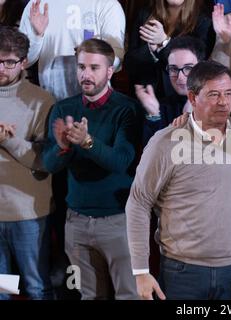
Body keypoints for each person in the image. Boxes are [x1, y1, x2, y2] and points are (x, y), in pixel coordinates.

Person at [126, 60, 231, 300]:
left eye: (227, 93)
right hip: (183, 271)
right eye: (214, 95)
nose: (224, 102)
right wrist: (141, 270)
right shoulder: (165, 142)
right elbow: (138, 203)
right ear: (193, 98)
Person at [42, 38, 139, 300]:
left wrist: (86, 142)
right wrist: (62, 146)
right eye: (81, 67)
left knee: (128, 295)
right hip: (76, 223)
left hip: (118, 222)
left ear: (110, 71)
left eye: (94, 67)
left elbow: (120, 161)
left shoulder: (127, 109)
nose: (86, 74)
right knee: (88, 296)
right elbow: (49, 165)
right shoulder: (63, 108)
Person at [0, 26, 54, 300]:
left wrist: (7, 140)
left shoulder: (40, 101)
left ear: (23, 63)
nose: (2, 68)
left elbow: (46, 161)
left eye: (9, 62)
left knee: (35, 286)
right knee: (3, 288)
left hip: (27, 215)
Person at [19, 0, 125, 101]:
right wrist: (37, 36)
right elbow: (25, 61)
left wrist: (91, 56)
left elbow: (115, 60)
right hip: (50, 99)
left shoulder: (108, 5)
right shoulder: (37, 4)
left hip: (94, 100)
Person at [124, 0, 214, 100]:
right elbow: (129, 63)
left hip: (180, 101)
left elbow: (198, 64)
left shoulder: (203, 19)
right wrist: (151, 51)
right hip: (143, 97)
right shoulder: (145, 13)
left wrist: (164, 42)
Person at [136, 36, 205, 145]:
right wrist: (154, 116)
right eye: (173, 69)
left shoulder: (218, 103)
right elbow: (152, 156)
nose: (180, 77)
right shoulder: (161, 107)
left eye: (188, 68)